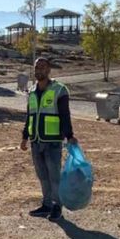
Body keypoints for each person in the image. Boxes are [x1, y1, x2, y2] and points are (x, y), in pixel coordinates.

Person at [20, 57, 77, 221]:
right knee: (42, 175)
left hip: (52, 141)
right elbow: (29, 116)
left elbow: (65, 115)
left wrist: (70, 136)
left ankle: (57, 206)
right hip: (36, 140)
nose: (39, 70)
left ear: (49, 70)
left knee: (54, 176)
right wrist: (25, 137)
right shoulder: (31, 91)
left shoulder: (59, 90)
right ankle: (46, 205)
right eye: (36, 67)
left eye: (42, 67)